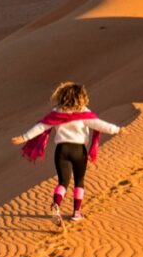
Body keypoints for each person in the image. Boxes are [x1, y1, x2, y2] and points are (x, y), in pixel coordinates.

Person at [11, 82, 124, 225]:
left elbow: (41, 126)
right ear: (81, 97)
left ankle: (56, 205)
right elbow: (100, 124)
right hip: (78, 151)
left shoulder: (56, 112)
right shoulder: (83, 113)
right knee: (79, 181)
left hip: (62, 151)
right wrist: (118, 130)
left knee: (63, 182)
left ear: (63, 96)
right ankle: (76, 213)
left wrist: (24, 137)